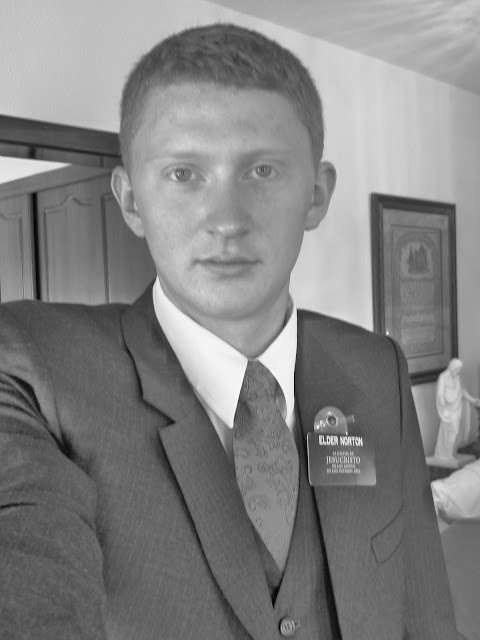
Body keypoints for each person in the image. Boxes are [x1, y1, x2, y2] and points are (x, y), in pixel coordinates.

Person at [0, 22, 457, 640]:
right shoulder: (35, 369)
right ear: (131, 201)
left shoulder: (376, 367)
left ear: (316, 195)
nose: (226, 221)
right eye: (183, 174)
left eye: (262, 170)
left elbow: (425, 615)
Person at [434, 358, 480, 463]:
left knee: (457, 431)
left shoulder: (457, 377)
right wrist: (443, 404)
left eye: (459, 369)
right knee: (453, 430)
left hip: (457, 408)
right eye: (457, 369)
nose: (458, 371)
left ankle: (452, 452)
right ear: (452, 367)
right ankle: (446, 454)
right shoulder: (443, 377)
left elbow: (462, 391)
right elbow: (440, 394)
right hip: (448, 410)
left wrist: (472, 400)